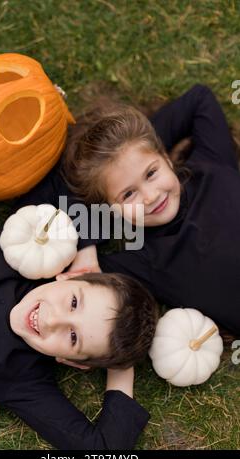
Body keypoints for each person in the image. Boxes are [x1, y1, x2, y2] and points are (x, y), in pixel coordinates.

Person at [0, 219, 158, 450]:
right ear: (71, 276)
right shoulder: (23, 254)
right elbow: (63, 190)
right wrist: (86, 249)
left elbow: (102, 451)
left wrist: (121, 367)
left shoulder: (24, 379)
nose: (52, 320)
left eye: (73, 337)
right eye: (73, 302)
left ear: (73, 362)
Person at [60, 84, 240, 335]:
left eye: (151, 172)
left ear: (166, 158)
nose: (151, 196)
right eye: (128, 194)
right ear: (109, 210)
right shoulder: (144, 263)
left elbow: (200, 98)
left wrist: (134, 142)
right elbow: (52, 202)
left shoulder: (211, 164)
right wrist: (85, 247)